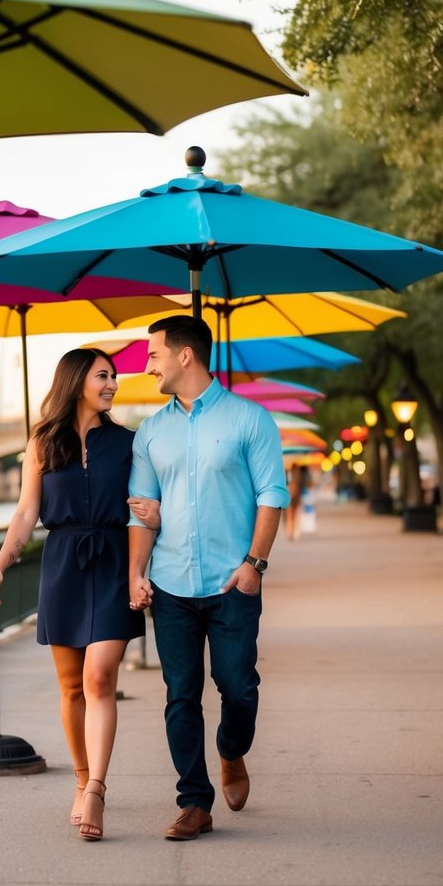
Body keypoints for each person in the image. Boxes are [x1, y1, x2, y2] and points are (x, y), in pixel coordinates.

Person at [0, 348, 159, 842]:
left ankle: (97, 789)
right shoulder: (42, 443)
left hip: (112, 562)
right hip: (61, 565)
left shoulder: (129, 443)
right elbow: (24, 514)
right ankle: (81, 780)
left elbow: (145, 509)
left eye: (114, 377)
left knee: (100, 677)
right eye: (103, 375)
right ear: (76, 379)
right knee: (72, 687)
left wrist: (140, 566)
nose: (112, 384)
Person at [128, 315, 289, 841]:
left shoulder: (250, 420)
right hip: (171, 584)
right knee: (181, 693)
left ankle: (231, 749)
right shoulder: (151, 431)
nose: (147, 363)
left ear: (184, 355)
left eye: (153, 354)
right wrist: (137, 572)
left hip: (232, 583)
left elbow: (272, 495)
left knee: (239, 687)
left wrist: (255, 565)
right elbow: (141, 511)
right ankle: (194, 802)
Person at [285, 464, 310, 539]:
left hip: (297, 493)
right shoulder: (285, 470)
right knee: (290, 513)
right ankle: (290, 530)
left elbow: (306, 482)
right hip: (288, 493)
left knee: (296, 512)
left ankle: (295, 530)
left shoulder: (301, 470)